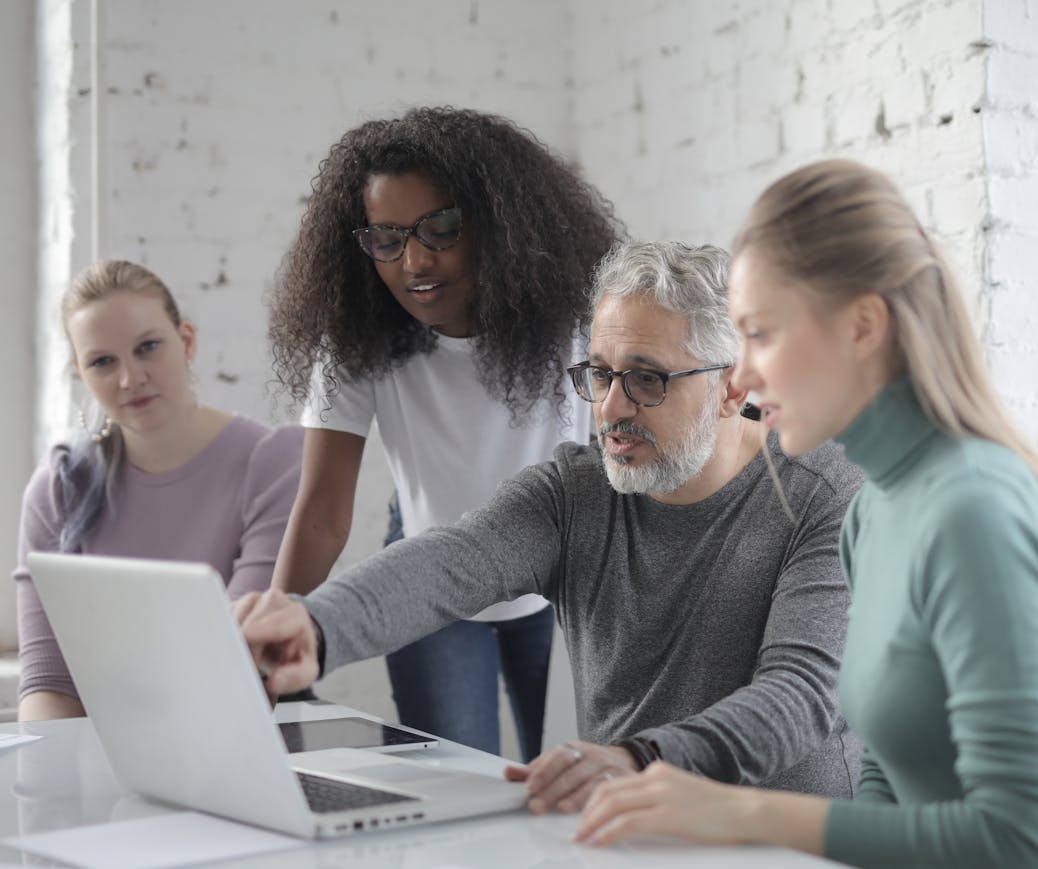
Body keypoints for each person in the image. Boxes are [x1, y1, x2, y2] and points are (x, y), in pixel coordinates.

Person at [574, 161, 1038, 868]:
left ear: (862, 326)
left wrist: (742, 811)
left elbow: (1026, 842)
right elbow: (888, 773)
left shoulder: (972, 509)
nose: (743, 375)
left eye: (761, 333)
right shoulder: (871, 509)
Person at [240, 241, 863, 814]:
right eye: (599, 374)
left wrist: (640, 761)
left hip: (786, 840)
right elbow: (451, 561)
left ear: (731, 386)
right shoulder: (576, 493)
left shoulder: (824, 495)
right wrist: (315, 625)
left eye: (647, 379)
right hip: (632, 832)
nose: (611, 410)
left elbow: (801, 695)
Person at [267, 106, 621, 761]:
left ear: (498, 223)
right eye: (388, 238)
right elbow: (320, 511)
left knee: (578, 786)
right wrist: (269, 636)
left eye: (442, 229)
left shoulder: (575, 313)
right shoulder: (355, 340)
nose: (415, 261)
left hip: (566, 583)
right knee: (457, 785)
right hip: (430, 585)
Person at [13, 259, 303, 722]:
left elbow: (238, 660)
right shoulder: (59, 484)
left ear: (186, 341)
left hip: (233, 739)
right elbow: (49, 681)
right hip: (99, 751)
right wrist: (55, 783)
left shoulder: (272, 463)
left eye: (148, 347)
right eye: (102, 362)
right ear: (79, 371)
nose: (130, 379)